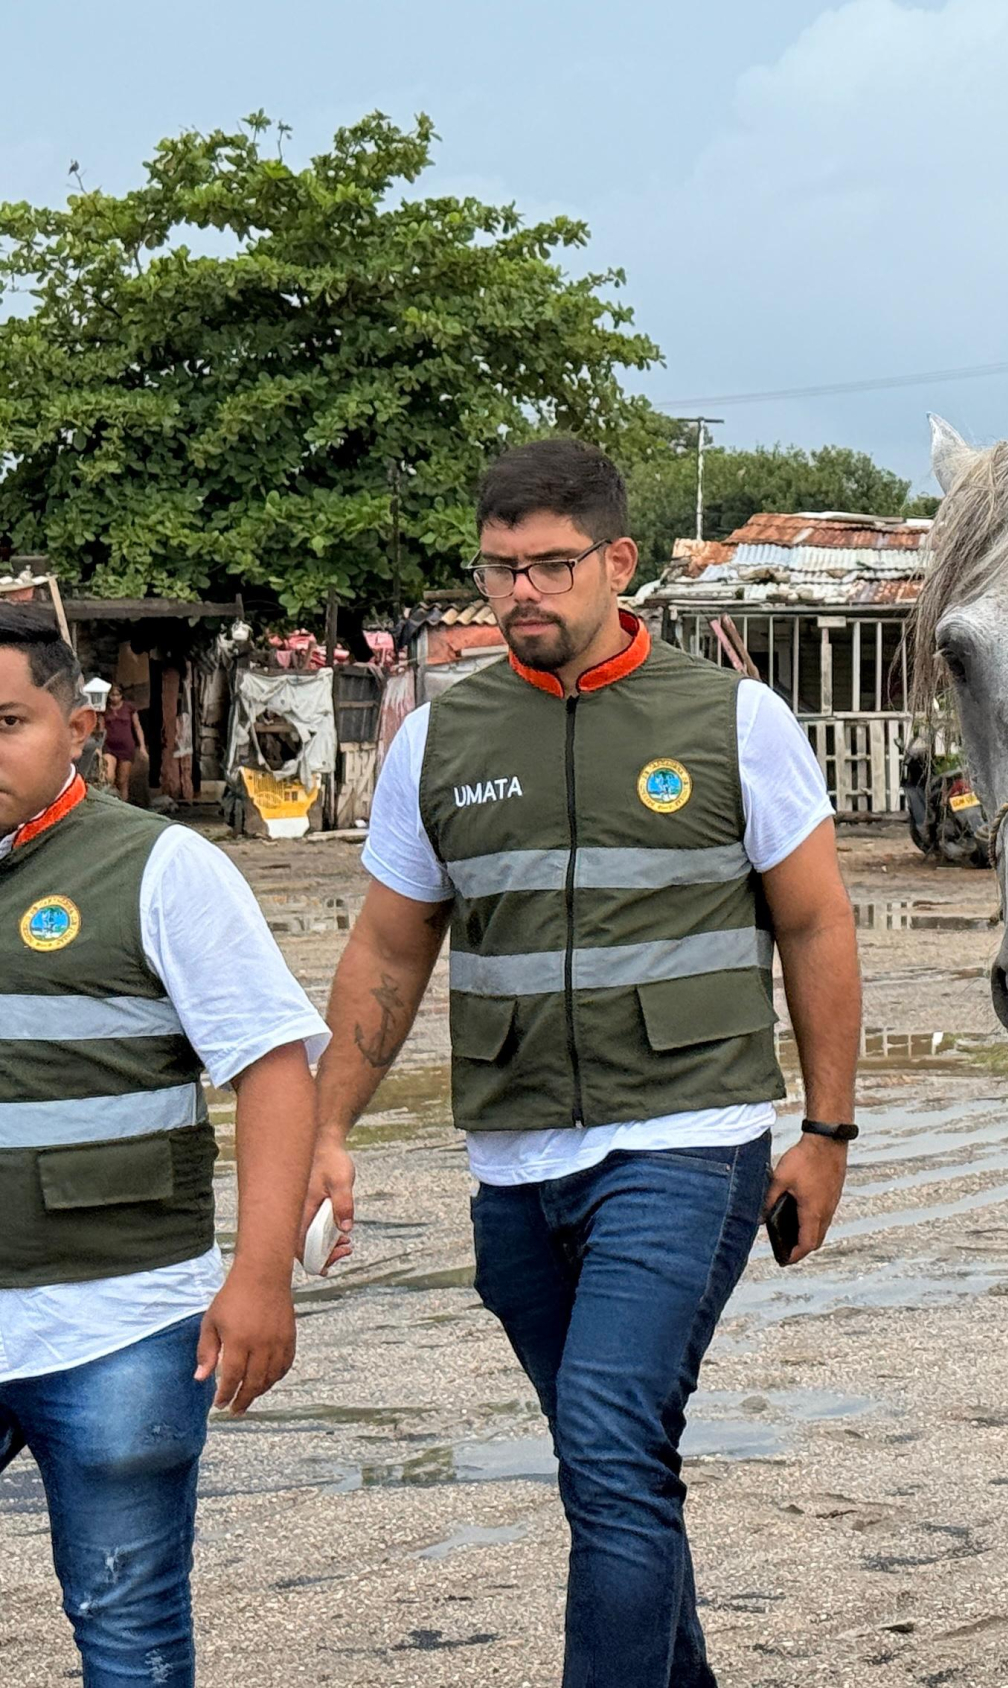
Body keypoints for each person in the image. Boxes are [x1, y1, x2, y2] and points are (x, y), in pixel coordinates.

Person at [305, 440, 865, 1688]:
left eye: (553, 565)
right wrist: (328, 1127)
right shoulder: (438, 741)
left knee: (610, 1444)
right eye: (501, 568)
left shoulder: (732, 720)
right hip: (515, 1168)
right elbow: (389, 951)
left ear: (618, 562)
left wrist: (827, 1132)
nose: (523, 593)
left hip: (683, 1143)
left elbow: (818, 920)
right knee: (611, 1464)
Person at [0, 607, 321, 1688]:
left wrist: (260, 1275)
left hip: (118, 1323)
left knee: (128, 1632)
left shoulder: (162, 869)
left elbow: (274, 1071)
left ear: (80, 726)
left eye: (6, 721)